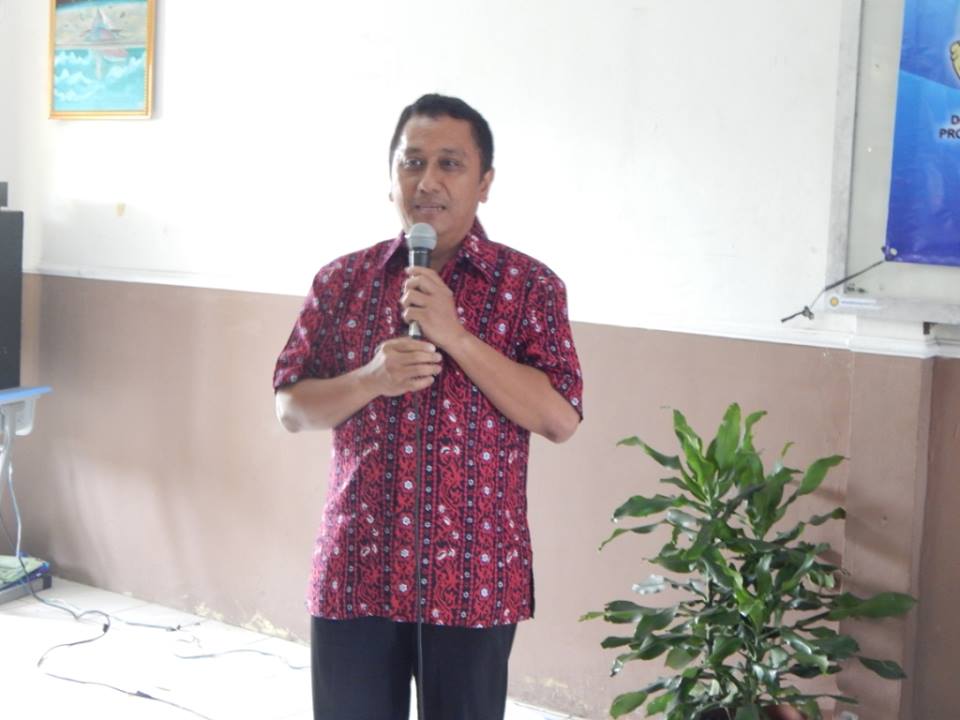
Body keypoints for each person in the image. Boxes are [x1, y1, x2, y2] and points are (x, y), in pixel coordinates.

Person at [274, 93, 583, 720]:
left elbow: (559, 418)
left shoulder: (530, 286)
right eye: (412, 162)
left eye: (450, 164)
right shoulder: (341, 280)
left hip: (473, 576)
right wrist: (370, 379)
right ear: (391, 176)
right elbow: (291, 408)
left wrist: (456, 337)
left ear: (484, 182)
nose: (428, 181)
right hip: (357, 566)